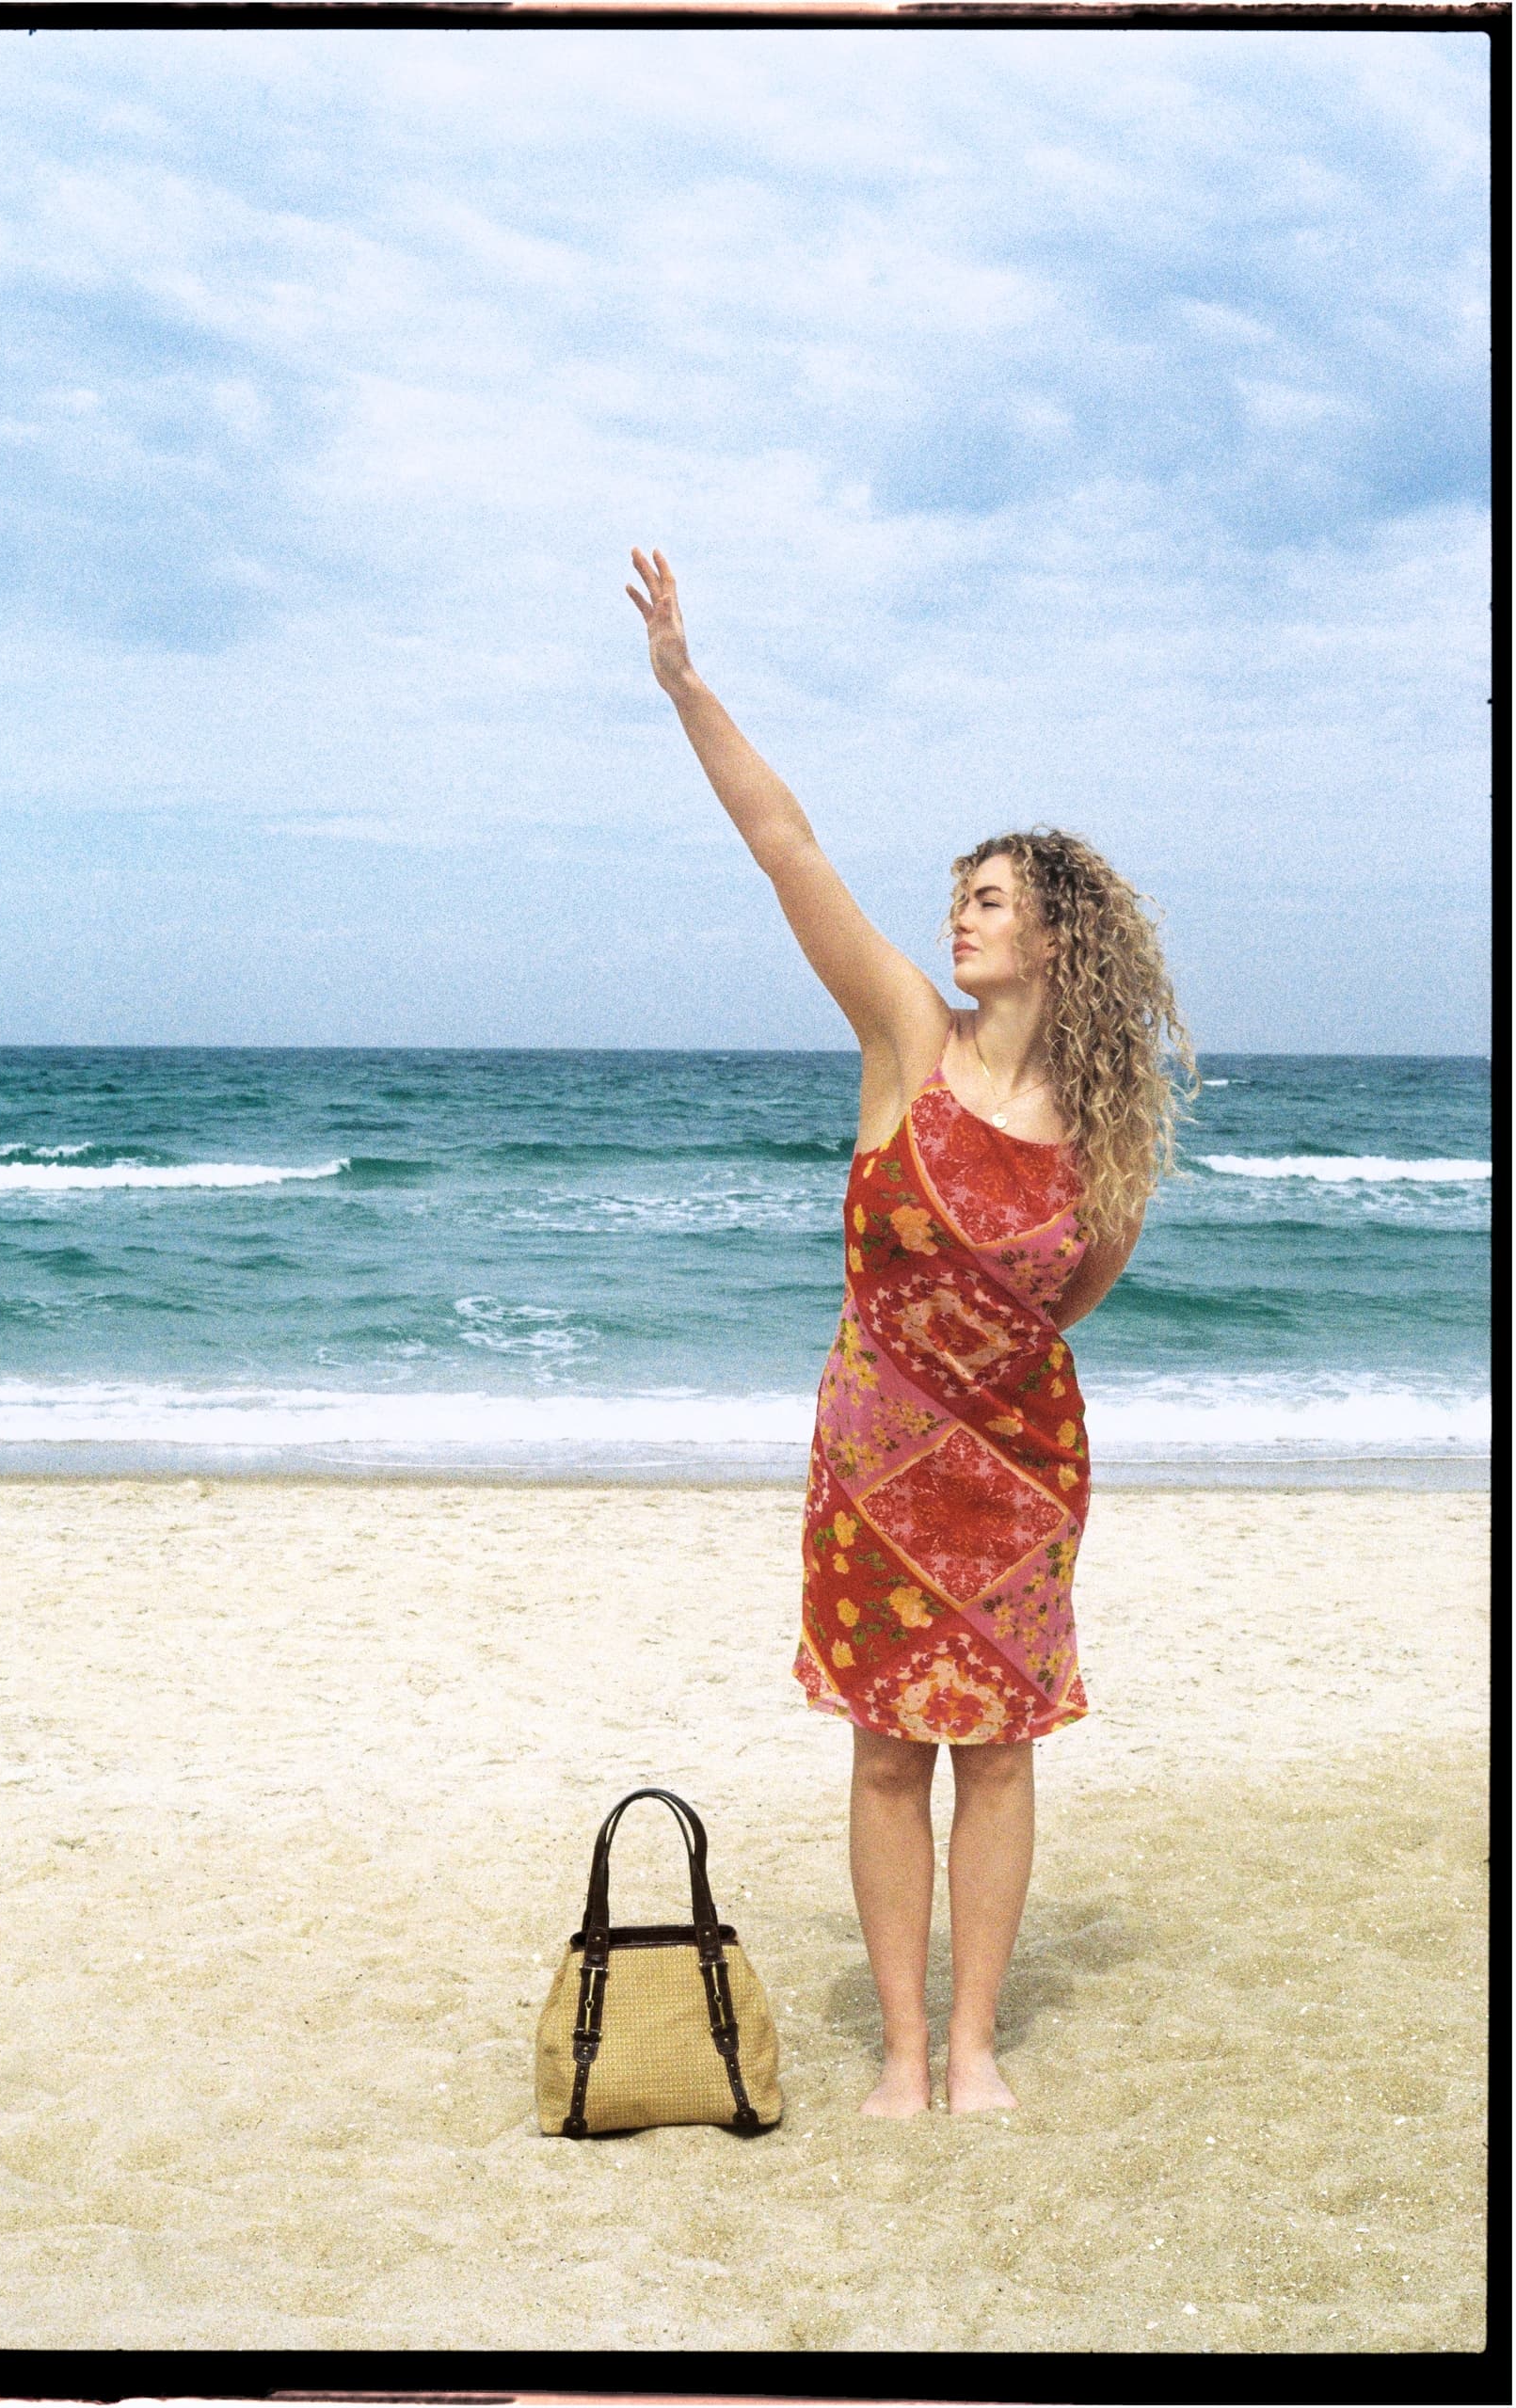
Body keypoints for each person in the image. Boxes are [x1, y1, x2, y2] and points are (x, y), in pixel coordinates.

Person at [627, 546, 1195, 2118]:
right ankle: (898, 2050)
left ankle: (973, 2046)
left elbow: (1072, 1297)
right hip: (875, 1464)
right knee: (887, 1750)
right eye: (958, 895)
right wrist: (685, 686)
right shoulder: (902, 1039)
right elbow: (786, 846)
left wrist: (982, 1381)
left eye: (990, 899)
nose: (959, 915)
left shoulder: (1106, 1130)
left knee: (998, 1750)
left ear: (1057, 937)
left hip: (1016, 1469)